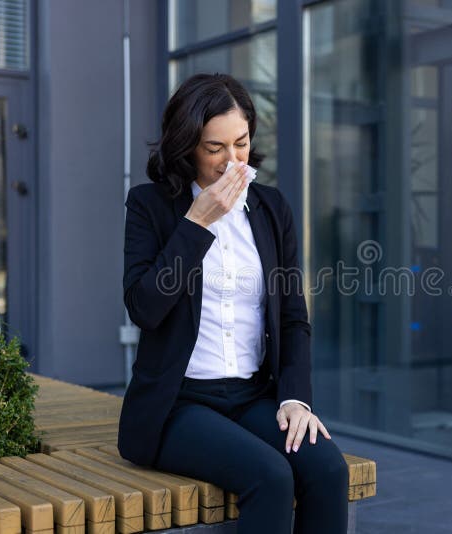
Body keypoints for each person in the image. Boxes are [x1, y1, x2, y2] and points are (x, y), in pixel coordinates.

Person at [117, 72, 349, 534]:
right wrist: (196, 224)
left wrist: (296, 398)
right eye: (214, 148)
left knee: (328, 471)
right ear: (187, 147)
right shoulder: (150, 206)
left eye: (240, 143)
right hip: (177, 404)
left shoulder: (270, 208)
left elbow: (291, 318)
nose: (231, 161)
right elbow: (143, 307)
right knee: (270, 477)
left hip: (252, 396)